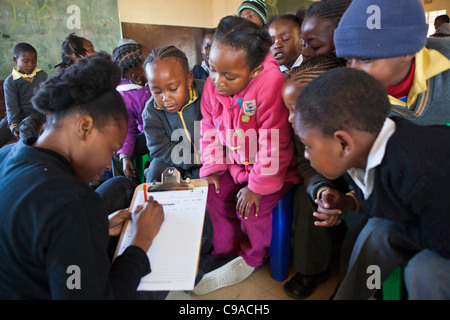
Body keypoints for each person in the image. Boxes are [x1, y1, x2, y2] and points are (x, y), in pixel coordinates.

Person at [0, 52, 165, 299]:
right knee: (157, 279)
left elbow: (39, 227)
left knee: (118, 185)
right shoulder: (74, 204)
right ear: (84, 126)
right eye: (110, 149)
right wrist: (141, 241)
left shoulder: (8, 154)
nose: (105, 163)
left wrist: (96, 228)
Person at [294, 67, 450, 300]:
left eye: (309, 146)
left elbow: (441, 238)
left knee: (425, 271)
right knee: (377, 232)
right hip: (430, 228)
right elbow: (386, 202)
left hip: (443, 236)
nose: (306, 155)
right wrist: (347, 202)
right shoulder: (363, 154)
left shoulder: (417, 169)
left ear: (343, 143)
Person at [193, 16, 301, 295]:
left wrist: (255, 187)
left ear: (253, 71)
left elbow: (274, 146)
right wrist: (214, 166)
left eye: (229, 76)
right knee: (214, 194)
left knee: (252, 209)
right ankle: (226, 250)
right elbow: (208, 130)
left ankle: (253, 255)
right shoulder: (212, 85)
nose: (217, 82)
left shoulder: (271, 85)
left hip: (273, 172)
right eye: (214, 70)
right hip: (235, 164)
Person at [281, 55, 365, 299]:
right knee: (305, 199)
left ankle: (353, 283)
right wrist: (323, 193)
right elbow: (306, 168)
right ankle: (311, 270)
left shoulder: (362, 131)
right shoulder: (301, 128)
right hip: (329, 183)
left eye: (297, 110)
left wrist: (347, 200)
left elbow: (373, 187)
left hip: (361, 192)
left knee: (364, 221)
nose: (289, 118)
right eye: (288, 109)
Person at [334, 0, 450, 126]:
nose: (352, 71)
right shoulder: (351, 97)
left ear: (407, 52)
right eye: (348, 60)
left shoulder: (445, 66)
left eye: (365, 59)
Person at [142, 45, 204, 182]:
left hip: (208, 157)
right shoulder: (151, 112)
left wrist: (206, 157)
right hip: (172, 160)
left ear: (188, 80)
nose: (166, 98)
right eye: (157, 92)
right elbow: (160, 149)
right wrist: (192, 159)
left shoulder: (206, 93)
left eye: (173, 89)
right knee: (155, 172)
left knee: (212, 182)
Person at [112, 39, 152, 183]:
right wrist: (125, 156)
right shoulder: (124, 96)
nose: (155, 61)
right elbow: (127, 129)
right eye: (149, 61)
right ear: (136, 77)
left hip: (167, 130)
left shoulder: (155, 80)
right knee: (118, 151)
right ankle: (127, 188)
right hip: (148, 134)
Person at [0, 43, 48, 148]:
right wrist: (13, 125)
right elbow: (11, 106)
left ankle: (26, 152)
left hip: (36, 113)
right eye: (26, 61)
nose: (30, 64)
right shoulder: (10, 81)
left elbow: (48, 94)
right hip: (16, 114)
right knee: (3, 128)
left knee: (26, 126)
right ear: (15, 60)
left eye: (34, 61)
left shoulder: (42, 75)